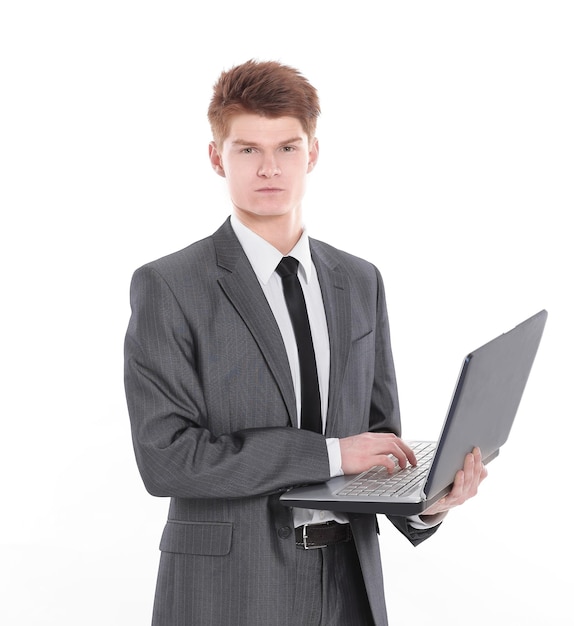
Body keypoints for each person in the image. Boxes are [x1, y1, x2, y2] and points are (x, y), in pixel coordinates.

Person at [124, 59, 487, 626]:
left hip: (348, 585)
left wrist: (428, 503)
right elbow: (166, 459)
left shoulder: (359, 280)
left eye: (287, 148)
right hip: (228, 589)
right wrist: (330, 454)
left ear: (312, 153)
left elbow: (379, 439)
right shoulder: (170, 286)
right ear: (216, 157)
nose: (269, 168)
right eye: (248, 150)